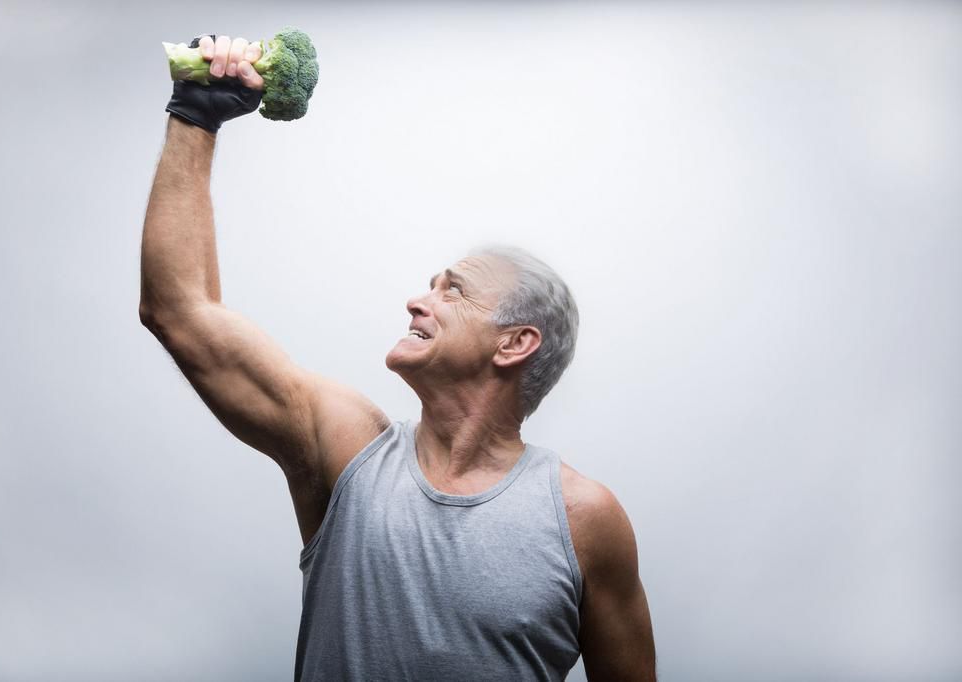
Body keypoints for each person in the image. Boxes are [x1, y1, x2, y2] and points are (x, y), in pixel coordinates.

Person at [139, 34, 656, 682]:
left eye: (453, 290)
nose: (417, 300)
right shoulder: (346, 449)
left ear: (514, 343)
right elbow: (180, 313)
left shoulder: (585, 519)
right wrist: (195, 115)